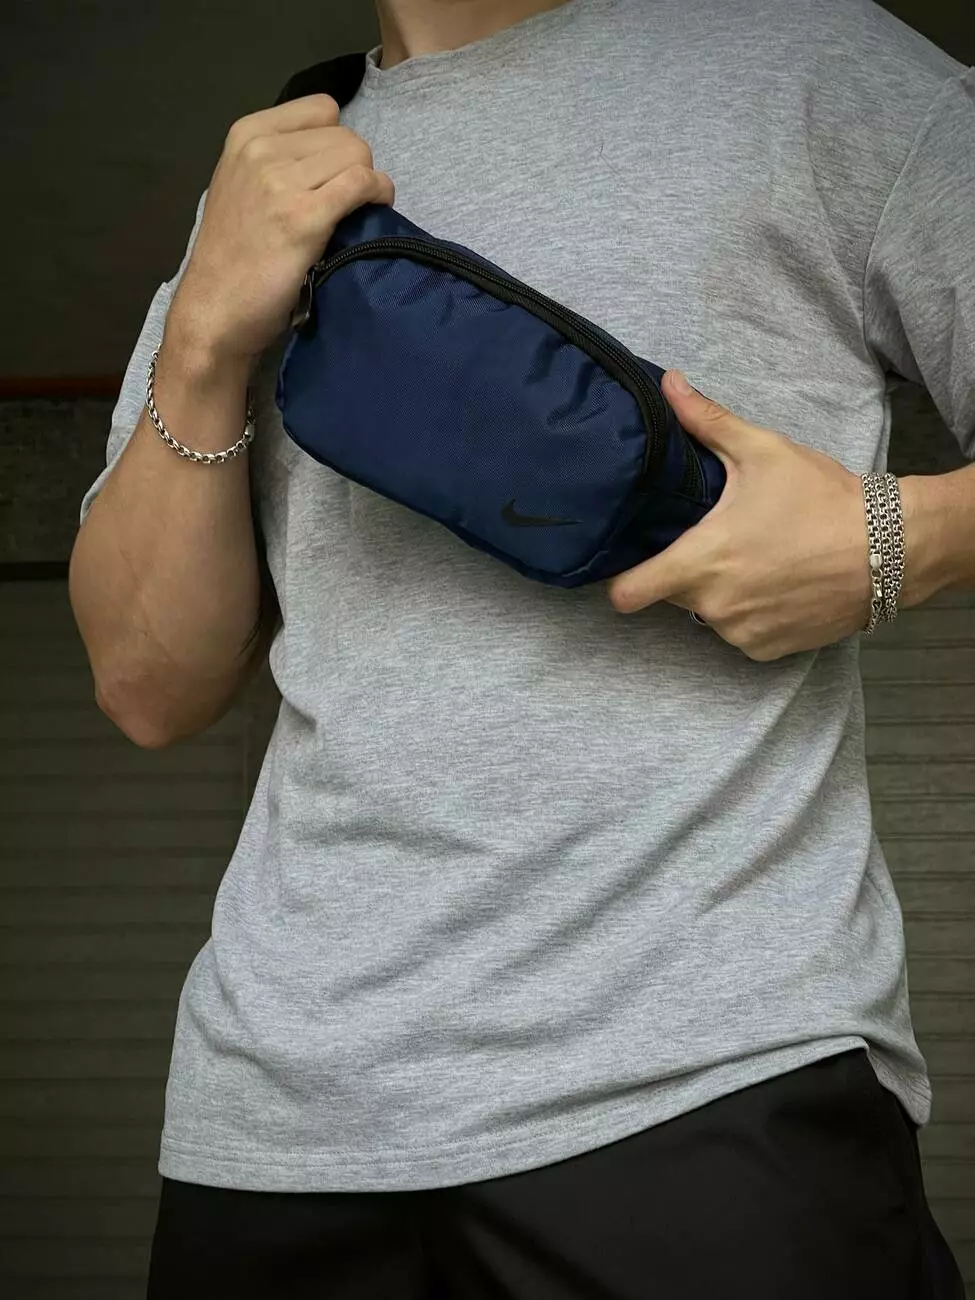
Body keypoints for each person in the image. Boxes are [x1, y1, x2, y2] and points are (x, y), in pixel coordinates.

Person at [69, 0, 975, 1295]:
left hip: (704, 1086)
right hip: (274, 1129)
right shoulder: (270, 176)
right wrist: (206, 333)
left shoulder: (809, 66)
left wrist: (896, 537)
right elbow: (147, 685)